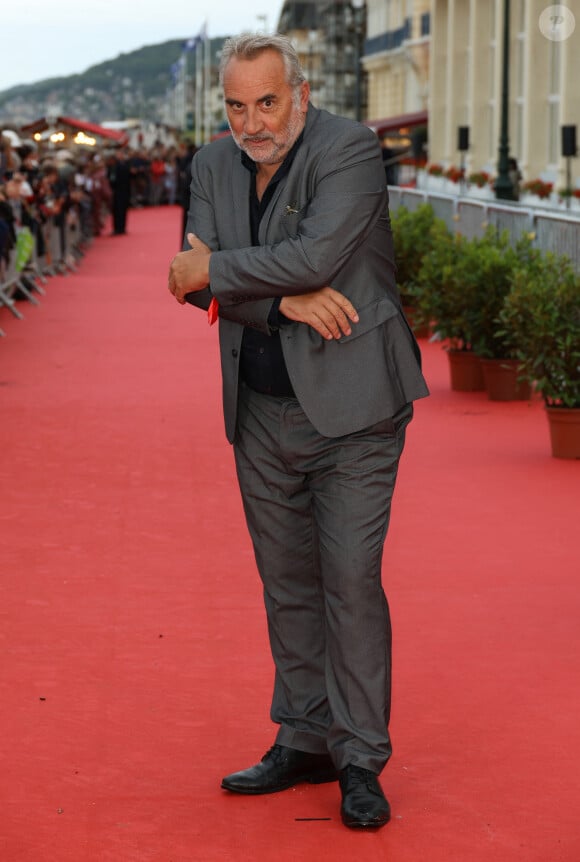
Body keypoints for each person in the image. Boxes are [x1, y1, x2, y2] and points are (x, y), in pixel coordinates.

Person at [168, 33, 429, 830]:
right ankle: (305, 736)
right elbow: (191, 283)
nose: (252, 122)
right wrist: (280, 300)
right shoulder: (212, 166)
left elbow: (304, 255)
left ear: (302, 95)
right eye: (237, 105)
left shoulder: (348, 149)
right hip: (257, 409)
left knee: (348, 582)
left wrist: (220, 272)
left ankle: (359, 757)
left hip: (356, 413)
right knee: (286, 586)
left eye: (268, 102)